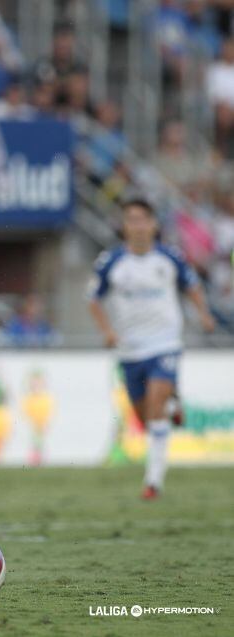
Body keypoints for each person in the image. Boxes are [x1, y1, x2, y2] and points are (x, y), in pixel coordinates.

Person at [88, 198, 215, 500]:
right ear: (124, 226)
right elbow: (93, 299)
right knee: (146, 419)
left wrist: (204, 314)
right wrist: (107, 331)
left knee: (155, 407)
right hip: (130, 349)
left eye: (143, 219)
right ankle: (173, 402)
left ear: (153, 224)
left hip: (165, 343)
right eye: (131, 219)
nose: (138, 226)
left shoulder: (170, 258)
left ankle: (153, 482)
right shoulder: (111, 262)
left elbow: (192, 285)